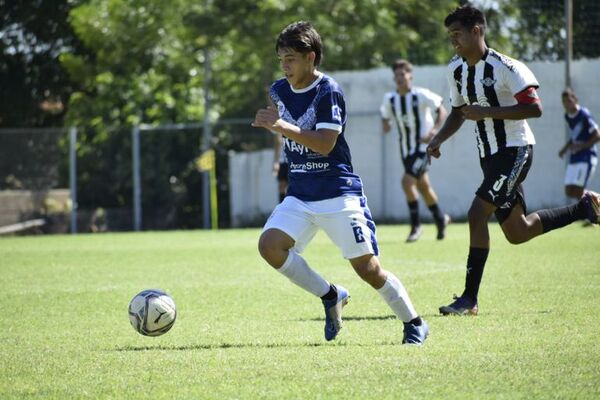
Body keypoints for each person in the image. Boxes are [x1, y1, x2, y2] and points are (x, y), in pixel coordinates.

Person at [251, 21, 428, 344]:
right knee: (269, 247)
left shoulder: (328, 90)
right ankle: (331, 295)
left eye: (291, 58)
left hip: (338, 194)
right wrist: (276, 127)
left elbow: (325, 143)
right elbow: (284, 129)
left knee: (368, 269)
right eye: (281, 59)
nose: (285, 65)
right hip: (301, 195)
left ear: (311, 57)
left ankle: (414, 322)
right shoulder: (278, 90)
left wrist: (278, 125)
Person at [426, 5, 600, 316]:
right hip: (489, 157)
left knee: (476, 213)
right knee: (518, 231)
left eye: (457, 34)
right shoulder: (456, 69)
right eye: (450, 35)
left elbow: (535, 108)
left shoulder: (506, 67)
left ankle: (469, 299)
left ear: (477, 31)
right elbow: (458, 111)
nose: (454, 41)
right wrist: (438, 138)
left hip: (516, 151)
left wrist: (487, 111)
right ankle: (584, 207)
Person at [380, 59, 451, 242]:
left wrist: (434, 131)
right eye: (396, 75)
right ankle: (440, 218)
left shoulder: (421, 95)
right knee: (424, 187)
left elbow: (442, 110)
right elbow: (385, 118)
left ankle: (415, 226)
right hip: (406, 151)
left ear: (410, 75)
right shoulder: (390, 99)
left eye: (402, 74)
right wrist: (386, 124)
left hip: (423, 149)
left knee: (407, 182)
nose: (399, 78)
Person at [558, 88, 600, 202]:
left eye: (568, 101)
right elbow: (575, 136)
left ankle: (588, 213)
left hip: (587, 155)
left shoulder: (584, 114)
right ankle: (594, 203)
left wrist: (581, 146)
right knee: (569, 190)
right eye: (564, 101)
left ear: (575, 100)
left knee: (579, 190)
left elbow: (597, 135)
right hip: (575, 155)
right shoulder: (567, 116)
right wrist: (565, 149)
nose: (566, 104)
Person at [272, 131, 289, 203]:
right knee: (282, 186)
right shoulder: (278, 127)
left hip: (294, 160)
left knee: (293, 186)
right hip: (282, 161)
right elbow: (277, 144)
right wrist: (276, 162)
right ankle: (282, 206)